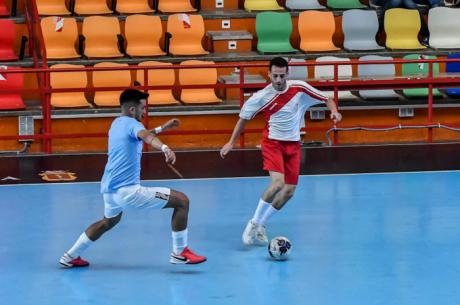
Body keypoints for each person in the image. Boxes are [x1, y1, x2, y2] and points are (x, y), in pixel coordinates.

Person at [59, 89, 206, 267]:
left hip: (109, 192)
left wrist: (163, 128)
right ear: (132, 110)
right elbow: (144, 135)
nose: (144, 111)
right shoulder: (132, 125)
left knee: (108, 221)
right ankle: (179, 252)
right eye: (142, 108)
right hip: (129, 193)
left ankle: (69, 256)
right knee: (182, 201)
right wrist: (165, 148)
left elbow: (141, 134)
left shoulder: (117, 124)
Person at [220, 57, 342, 246]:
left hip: (293, 144)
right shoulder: (261, 97)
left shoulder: (299, 88)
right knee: (278, 183)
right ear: (269, 74)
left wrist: (334, 111)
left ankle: (262, 224)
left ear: (287, 74)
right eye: (274, 75)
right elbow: (243, 119)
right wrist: (231, 142)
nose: (278, 79)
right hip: (272, 143)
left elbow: (328, 99)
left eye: (281, 75)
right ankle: (253, 224)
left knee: (289, 191)